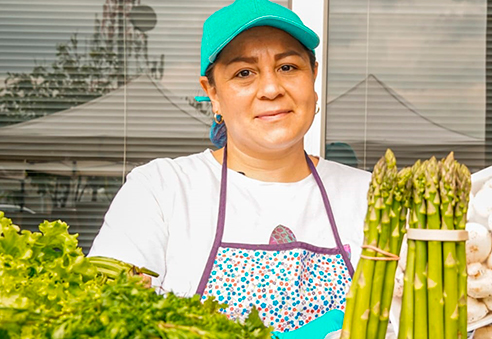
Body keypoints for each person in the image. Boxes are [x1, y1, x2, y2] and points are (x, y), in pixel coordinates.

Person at [88, 0, 370, 337]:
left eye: (288, 67)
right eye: (244, 73)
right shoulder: (160, 189)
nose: (271, 89)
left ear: (314, 77)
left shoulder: (370, 196)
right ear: (212, 94)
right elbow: (106, 316)